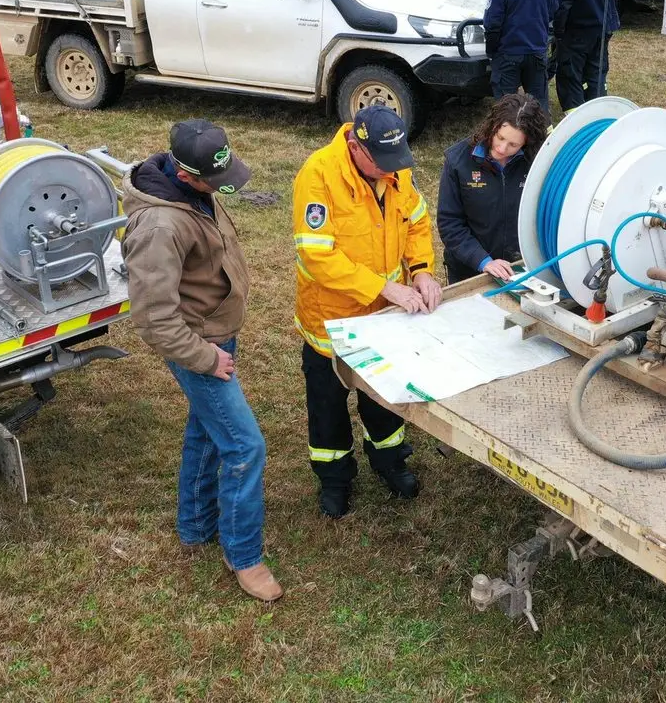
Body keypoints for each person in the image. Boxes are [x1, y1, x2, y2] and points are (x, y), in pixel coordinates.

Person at [122, 120, 283, 602]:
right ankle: (245, 556)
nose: (222, 188)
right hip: (200, 346)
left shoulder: (190, 189)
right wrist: (205, 358)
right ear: (187, 175)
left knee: (207, 431)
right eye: (216, 181)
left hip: (216, 336)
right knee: (244, 447)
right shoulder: (159, 225)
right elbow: (153, 318)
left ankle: (194, 526)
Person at [292, 104, 443, 518]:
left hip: (386, 317)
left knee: (384, 398)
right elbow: (318, 256)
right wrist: (383, 287)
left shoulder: (395, 167)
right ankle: (335, 479)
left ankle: (391, 463)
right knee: (328, 406)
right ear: (356, 148)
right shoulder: (318, 175)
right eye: (381, 162)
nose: (390, 172)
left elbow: (415, 222)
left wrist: (422, 270)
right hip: (332, 322)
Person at [437, 93, 551, 284]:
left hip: (522, 267)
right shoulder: (458, 161)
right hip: (471, 270)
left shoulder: (536, 163)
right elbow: (450, 223)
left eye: (513, 144)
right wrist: (483, 261)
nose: (501, 148)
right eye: (500, 137)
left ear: (527, 143)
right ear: (493, 126)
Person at [484, 0, 556, 111]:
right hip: (537, 51)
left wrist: (491, 51)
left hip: (508, 54)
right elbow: (553, 11)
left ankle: (508, 135)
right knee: (539, 104)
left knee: (506, 106)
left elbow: (492, 23)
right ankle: (543, 135)